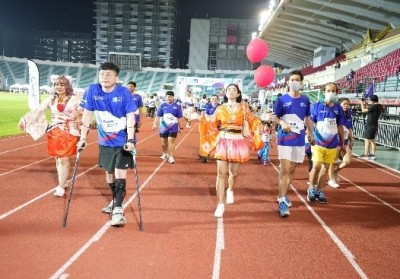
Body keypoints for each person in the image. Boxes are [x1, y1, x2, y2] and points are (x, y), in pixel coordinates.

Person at [77, 62, 137, 227]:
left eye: (109, 74)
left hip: (123, 140)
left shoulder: (123, 92)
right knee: (109, 173)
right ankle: (115, 200)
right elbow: (87, 116)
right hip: (104, 141)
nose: (105, 77)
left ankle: (118, 210)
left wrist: (131, 139)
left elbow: (130, 117)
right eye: (102, 74)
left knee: (119, 173)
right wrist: (83, 138)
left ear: (117, 78)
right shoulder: (92, 90)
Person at [199, 83, 262, 218]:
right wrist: (202, 118)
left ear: (238, 94)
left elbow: (252, 120)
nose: (231, 91)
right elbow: (212, 122)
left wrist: (262, 120)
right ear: (225, 93)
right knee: (221, 174)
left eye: (234, 90)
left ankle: (230, 190)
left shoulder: (244, 108)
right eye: (229, 89)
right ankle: (220, 204)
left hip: (238, 141)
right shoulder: (220, 108)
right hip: (223, 140)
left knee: (233, 173)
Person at [18, 76, 82, 197]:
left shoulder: (75, 100)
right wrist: (24, 121)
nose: (58, 87)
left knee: (63, 159)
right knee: (58, 159)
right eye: (56, 84)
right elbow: (38, 110)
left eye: (62, 84)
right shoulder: (51, 99)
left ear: (68, 86)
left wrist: (82, 129)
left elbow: (82, 115)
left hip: (69, 133)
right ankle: (63, 180)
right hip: (54, 132)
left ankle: (61, 186)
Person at [274, 70, 314, 217]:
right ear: (288, 82)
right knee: (285, 169)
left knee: (292, 170)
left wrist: (311, 134)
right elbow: (274, 117)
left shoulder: (306, 100)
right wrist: (282, 122)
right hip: (285, 139)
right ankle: (282, 200)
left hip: (299, 139)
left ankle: (282, 194)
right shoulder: (282, 100)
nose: (294, 82)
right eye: (292, 79)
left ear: (301, 82)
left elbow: (308, 118)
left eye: (297, 79)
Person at [307, 82, 346, 204]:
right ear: (324, 92)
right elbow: (310, 122)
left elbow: (340, 126)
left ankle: (319, 190)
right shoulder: (317, 106)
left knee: (326, 168)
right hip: (318, 143)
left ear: (336, 92)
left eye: (333, 90)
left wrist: (343, 144)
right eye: (328, 90)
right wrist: (310, 135)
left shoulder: (338, 108)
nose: (331, 93)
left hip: (332, 144)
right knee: (317, 165)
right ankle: (311, 188)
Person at [152, 90, 184, 164]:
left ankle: (171, 156)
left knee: (171, 141)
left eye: (171, 97)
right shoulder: (162, 105)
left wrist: (181, 127)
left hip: (174, 126)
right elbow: (158, 116)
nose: (169, 98)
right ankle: (165, 153)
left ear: (173, 97)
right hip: (164, 126)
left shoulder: (177, 106)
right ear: (166, 97)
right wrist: (154, 124)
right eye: (168, 97)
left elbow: (179, 118)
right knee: (164, 142)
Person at [327, 97, 354, 188]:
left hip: (345, 142)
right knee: (332, 162)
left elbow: (349, 128)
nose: (346, 106)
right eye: (344, 104)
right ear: (339, 105)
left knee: (347, 161)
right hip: (335, 142)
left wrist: (352, 139)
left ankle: (335, 171)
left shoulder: (349, 115)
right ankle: (331, 179)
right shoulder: (336, 114)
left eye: (348, 104)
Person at [358, 94, 383, 160]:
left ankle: (366, 154)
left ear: (372, 101)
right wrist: (366, 105)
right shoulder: (379, 106)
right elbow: (370, 110)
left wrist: (361, 104)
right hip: (374, 124)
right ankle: (373, 154)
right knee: (372, 140)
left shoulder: (374, 106)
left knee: (367, 140)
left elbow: (363, 111)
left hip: (370, 125)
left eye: (370, 100)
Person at [199, 94, 220, 162]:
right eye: (213, 99)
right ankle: (206, 154)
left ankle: (215, 154)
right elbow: (206, 115)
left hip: (217, 127)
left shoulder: (220, 106)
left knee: (216, 141)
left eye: (215, 99)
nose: (214, 100)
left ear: (218, 100)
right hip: (209, 126)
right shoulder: (208, 106)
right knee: (207, 140)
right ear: (210, 100)